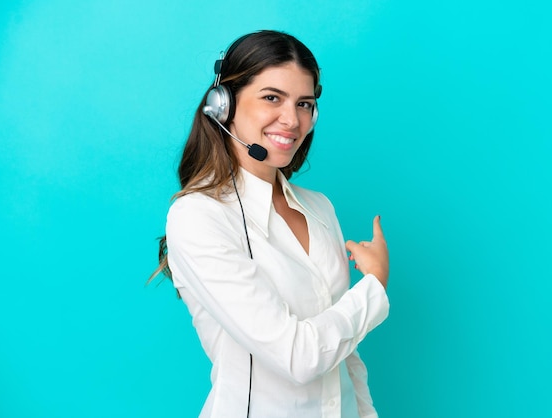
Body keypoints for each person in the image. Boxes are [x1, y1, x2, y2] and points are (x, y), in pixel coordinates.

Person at [150, 30, 390, 418]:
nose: (292, 120)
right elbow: (298, 357)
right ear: (223, 104)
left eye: (305, 103)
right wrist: (374, 287)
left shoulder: (319, 207)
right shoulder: (198, 216)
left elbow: (343, 353)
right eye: (272, 98)